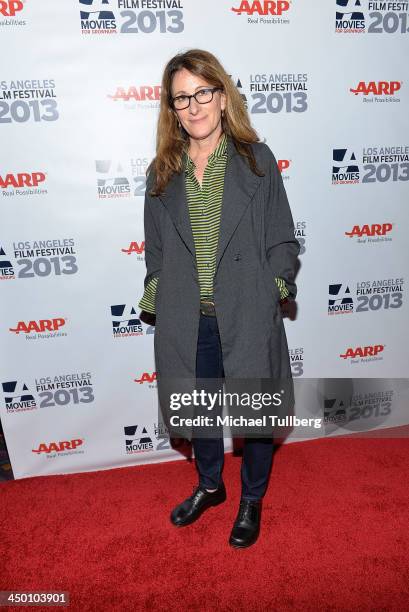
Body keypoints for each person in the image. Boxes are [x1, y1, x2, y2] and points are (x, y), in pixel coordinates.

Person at [138, 48, 300, 548]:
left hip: (247, 309)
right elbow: (157, 251)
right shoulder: (161, 171)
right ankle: (210, 486)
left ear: (223, 97)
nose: (194, 106)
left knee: (254, 415)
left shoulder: (257, 161)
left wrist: (275, 286)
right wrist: (159, 297)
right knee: (198, 411)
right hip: (190, 316)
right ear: (172, 108)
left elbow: (282, 239)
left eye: (202, 92)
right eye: (181, 97)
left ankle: (251, 499)